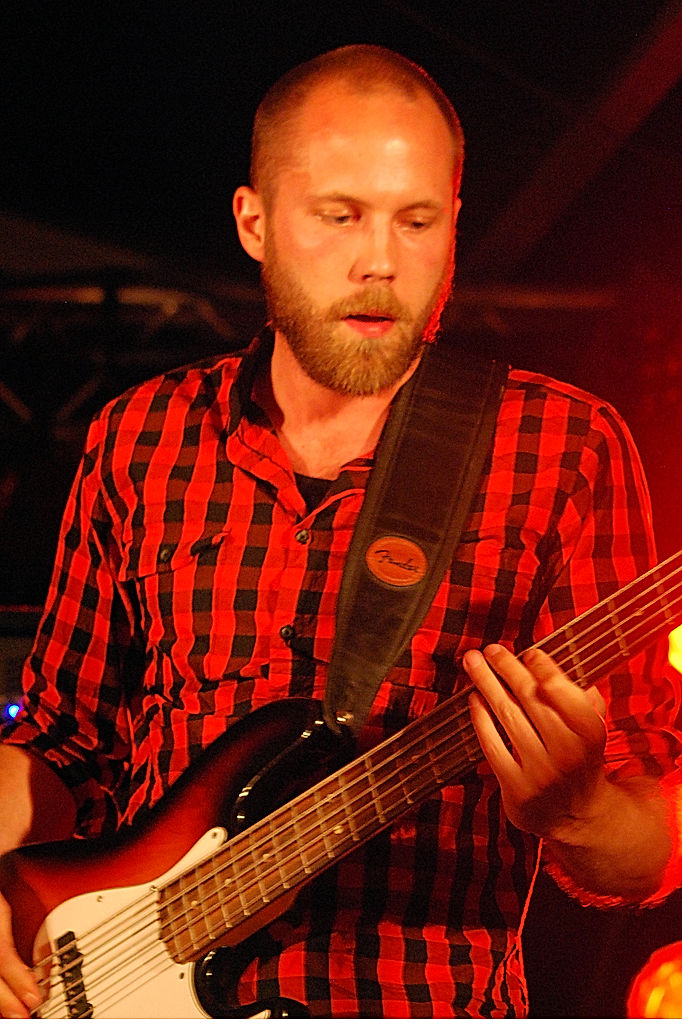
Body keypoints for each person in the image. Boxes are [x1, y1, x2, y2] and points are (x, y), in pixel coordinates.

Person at [0, 43, 681, 1019]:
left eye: (416, 221)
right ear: (254, 223)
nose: (380, 260)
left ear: (454, 223)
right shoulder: (137, 437)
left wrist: (576, 809)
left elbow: (649, 840)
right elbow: (63, 742)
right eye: (339, 217)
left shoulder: (564, 446)